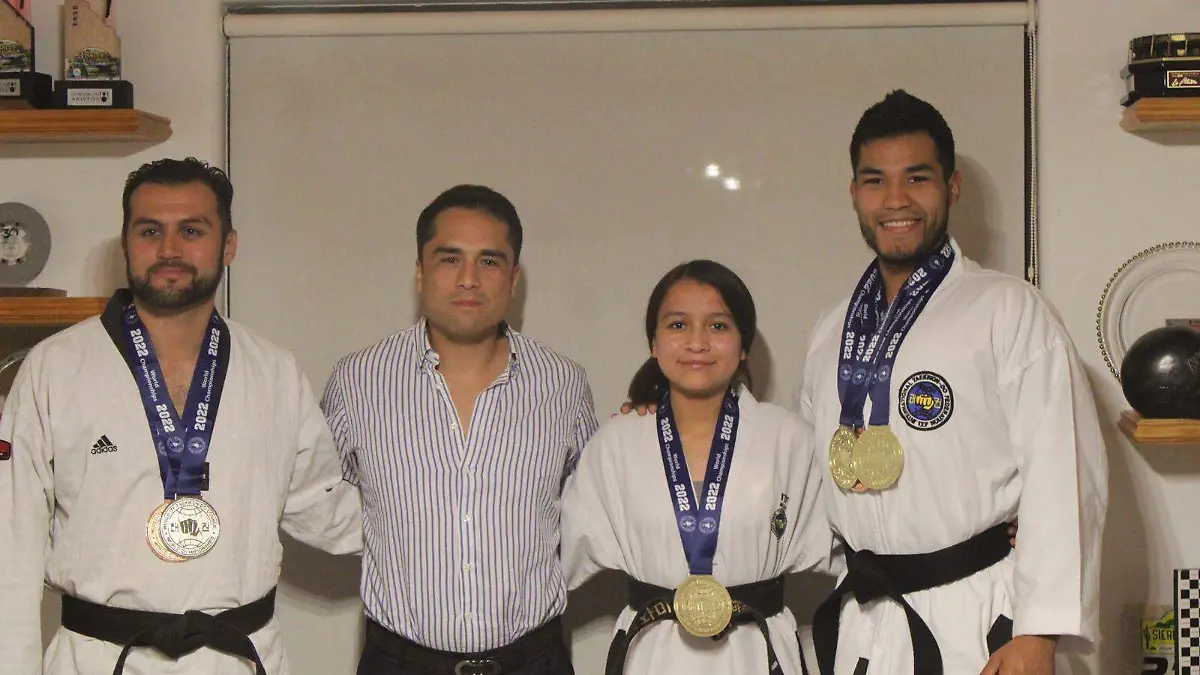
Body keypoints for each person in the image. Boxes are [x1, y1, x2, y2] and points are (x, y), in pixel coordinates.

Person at [0, 157, 363, 675]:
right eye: (150, 231)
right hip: (99, 659)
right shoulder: (54, 369)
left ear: (228, 245)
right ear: (126, 244)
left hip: (237, 659)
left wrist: (447, 517)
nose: (169, 249)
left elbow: (325, 507)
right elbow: (9, 544)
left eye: (192, 231)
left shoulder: (274, 371)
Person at [796, 90, 1107, 675]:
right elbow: (808, 472)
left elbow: (1063, 470)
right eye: (875, 181)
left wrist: (1039, 632)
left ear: (952, 187)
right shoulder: (832, 329)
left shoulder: (1008, 309)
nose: (896, 200)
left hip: (980, 621)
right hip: (866, 622)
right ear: (854, 193)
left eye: (917, 178)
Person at [322, 184, 598, 675]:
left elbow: (597, 508)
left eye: (489, 261)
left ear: (513, 279)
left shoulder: (563, 384)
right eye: (450, 259)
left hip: (533, 661)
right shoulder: (357, 380)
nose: (469, 279)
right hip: (399, 663)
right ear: (420, 271)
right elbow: (317, 500)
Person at [562, 259, 831, 675]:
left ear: (743, 345)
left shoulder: (791, 440)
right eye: (678, 325)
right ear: (653, 343)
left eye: (718, 326)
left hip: (755, 655)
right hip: (654, 656)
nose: (697, 342)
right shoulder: (616, 444)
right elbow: (553, 561)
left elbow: (854, 550)